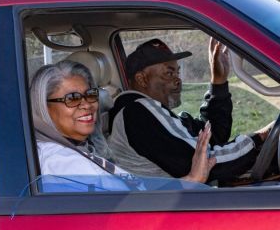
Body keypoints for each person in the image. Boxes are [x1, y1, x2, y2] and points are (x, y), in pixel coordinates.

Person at [30, 60, 215, 187]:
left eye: (90, 94)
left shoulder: (77, 150)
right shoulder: (63, 164)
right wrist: (192, 181)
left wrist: (191, 179)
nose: (86, 104)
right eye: (72, 98)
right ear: (43, 108)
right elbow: (130, 208)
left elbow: (130, 197)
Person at [109, 38, 266, 184]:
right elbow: (205, 166)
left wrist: (218, 82)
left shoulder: (153, 115)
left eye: (177, 72)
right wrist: (260, 138)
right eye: (169, 73)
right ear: (142, 79)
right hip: (166, 209)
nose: (178, 80)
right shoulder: (138, 114)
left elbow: (213, 137)